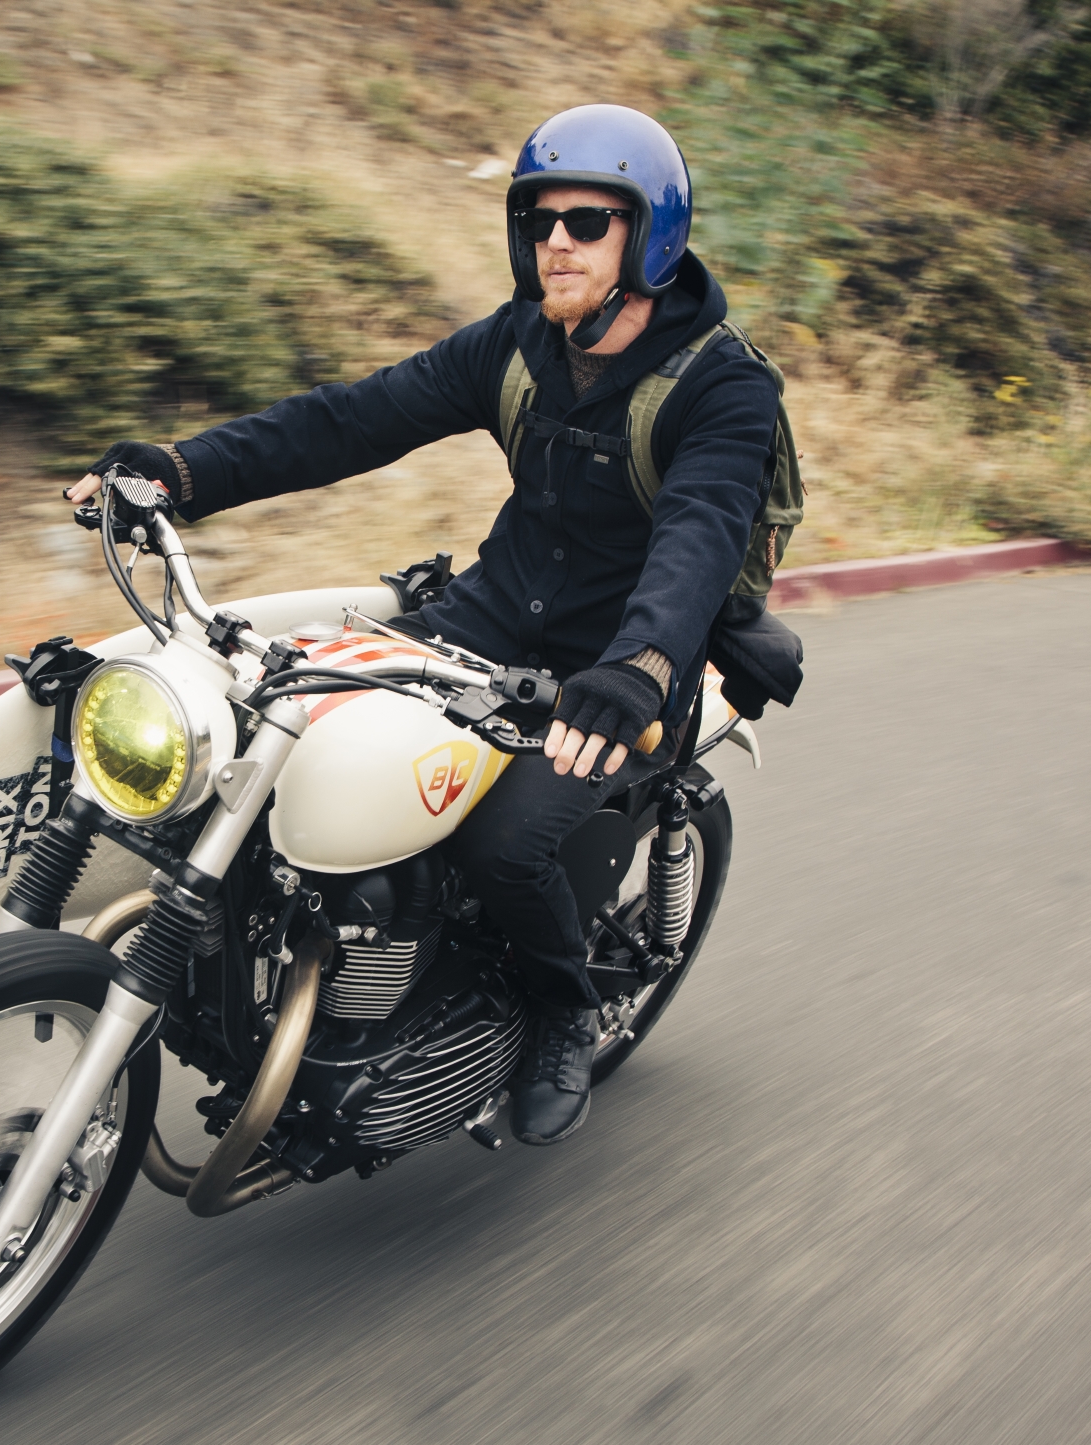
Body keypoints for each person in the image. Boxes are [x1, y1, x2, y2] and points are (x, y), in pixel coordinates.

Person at [64, 104, 779, 1146]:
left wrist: (639, 663)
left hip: (618, 668)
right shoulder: (519, 342)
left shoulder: (722, 384)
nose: (556, 242)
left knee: (506, 845)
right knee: (272, 741)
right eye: (537, 219)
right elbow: (353, 418)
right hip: (483, 622)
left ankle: (563, 1011)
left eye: (586, 221)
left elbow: (700, 531)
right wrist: (182, 471)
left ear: (650, 234)